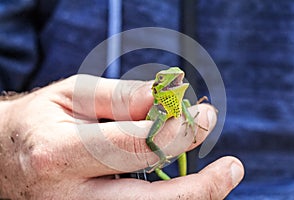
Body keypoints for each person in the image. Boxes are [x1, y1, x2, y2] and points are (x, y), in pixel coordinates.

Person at [0, 75, 244, 199]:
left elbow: (188, 105)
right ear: (159, 90)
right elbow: (149, 139)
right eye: (169, 82)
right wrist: (7, 131)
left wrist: (191, 120)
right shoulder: (157, 111)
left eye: (179, 81)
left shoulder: (179, 102)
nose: (177, 83)